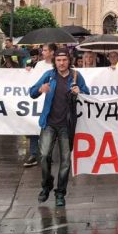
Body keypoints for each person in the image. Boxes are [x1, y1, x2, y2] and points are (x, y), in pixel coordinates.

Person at [29, 47, 90, 207]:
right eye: (58, 60)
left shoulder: (76, 76)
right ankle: (47, 183)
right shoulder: (49, 76)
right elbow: (32, 92)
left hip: (67, 125)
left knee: (65, 162)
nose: (61, 63)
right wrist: (40, 89)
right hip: (49, 123)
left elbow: (88, 94)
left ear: (69, 61)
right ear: (55, 61)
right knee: (43, 156)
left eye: (64, 60)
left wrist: (80, 91)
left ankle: (60, 193)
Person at [23, 43, 57, 167]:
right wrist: (28, 71)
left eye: (45, 50)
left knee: (50, 127)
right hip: (38, 99)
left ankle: (47, 154)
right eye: (42, 50)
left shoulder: (57, 64)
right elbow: (34, 81)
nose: (42, 52)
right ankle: (33, 153)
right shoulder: (38, 65)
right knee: (33, 125)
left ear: (52, 52)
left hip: (52, 100)